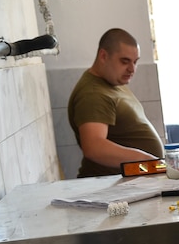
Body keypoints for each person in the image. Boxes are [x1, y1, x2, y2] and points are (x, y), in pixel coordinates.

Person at [68, 28, 164, 178]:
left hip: (126, 184)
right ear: (103, 56)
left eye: (135, 62)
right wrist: (148, 161)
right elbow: (94, 147)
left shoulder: (112, 84)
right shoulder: (93, 93)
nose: (132, 69)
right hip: (110, 188)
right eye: (125, 61)